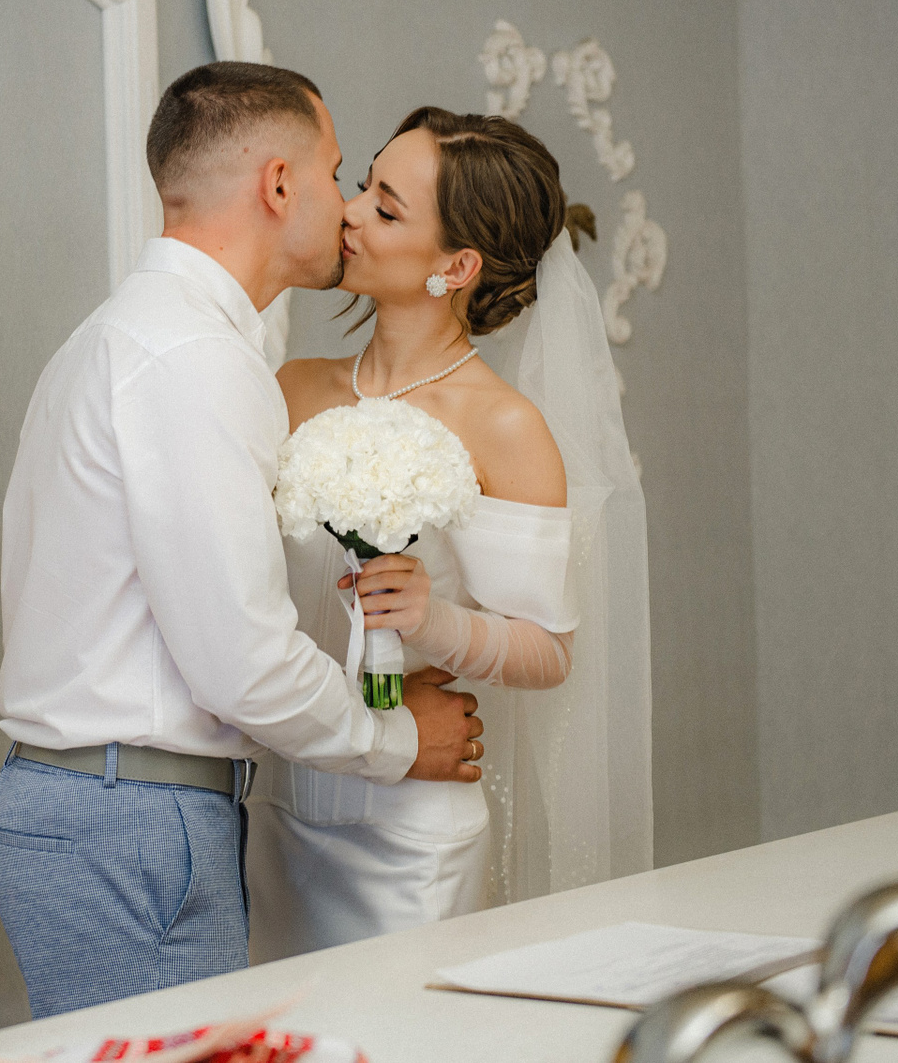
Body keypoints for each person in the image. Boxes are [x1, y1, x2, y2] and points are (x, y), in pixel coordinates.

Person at [0, 65, 485, 1018]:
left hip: (92, 806)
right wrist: (396, 739)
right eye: (336, 173)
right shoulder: (196, 360)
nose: (345, 205)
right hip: (134, 822)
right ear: (279, 185)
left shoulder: (119, 334)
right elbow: (243, 663)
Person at [245, 106, 649, 958]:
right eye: (363, 187)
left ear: (455, 267)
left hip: (408, 833)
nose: (350, 212)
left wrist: (432, 622)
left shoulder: (503, 426)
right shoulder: (292, 387)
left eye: (386, 209)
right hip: (278, 803)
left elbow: (548, 651)